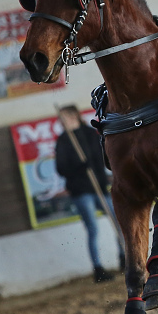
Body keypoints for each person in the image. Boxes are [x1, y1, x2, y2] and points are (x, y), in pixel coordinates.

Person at [54, 105, 125, 283]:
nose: (61, 122)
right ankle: (98, 269)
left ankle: (125, 258)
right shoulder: (63, 140)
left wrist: (98, 172)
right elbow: (61, 168)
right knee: (92, 229)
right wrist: (79, 166)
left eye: (64, 118)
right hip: (80, 191)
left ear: (73, 117)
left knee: (119, 223)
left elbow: (102, 157)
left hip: (99, 187)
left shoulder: (89, 134)